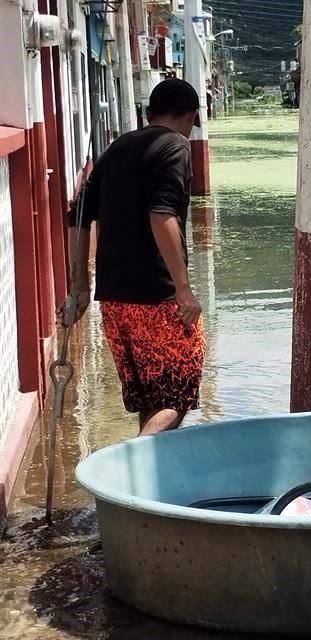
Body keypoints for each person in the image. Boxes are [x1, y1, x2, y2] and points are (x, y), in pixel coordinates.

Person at [65, 78, 205, 436]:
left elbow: (78, 217)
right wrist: (183, 288)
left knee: (151, 399)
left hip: (114, 301)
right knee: (176, 395)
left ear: (149, 112)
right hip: (157, 298)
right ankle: (129, 469)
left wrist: (79, 287)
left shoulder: (117, 148)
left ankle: (149, 479)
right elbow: (162, 215)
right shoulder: (174, 146)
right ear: (189, 117)